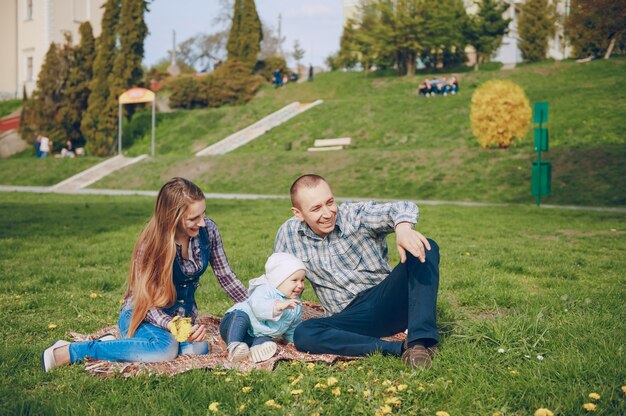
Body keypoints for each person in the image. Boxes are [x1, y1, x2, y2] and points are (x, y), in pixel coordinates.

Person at [42, 177, 249, 371]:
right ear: (173, 217)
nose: (202, 222)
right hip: (142, 313)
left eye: (203, 214)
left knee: (198, 348)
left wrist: (256, 306)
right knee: (164, 349)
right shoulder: (150, 245)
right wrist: (170, 324)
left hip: (180, 319)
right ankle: (72, 351)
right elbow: (145, 301)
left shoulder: (209, 230)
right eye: (194, 218)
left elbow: (226, 277)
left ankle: (118, 345)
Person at [274, 174, 440, 369]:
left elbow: (401, 207)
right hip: (347, 318)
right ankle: (398, 349)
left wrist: (403, 229)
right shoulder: (288, 234)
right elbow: (279, 282)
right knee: (304, 333)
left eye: (330, 202)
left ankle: (420, 342)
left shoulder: (355, 215)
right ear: (298, 213)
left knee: (427, 246)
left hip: (384, 301)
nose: (327, 213)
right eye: (316, 208)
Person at [219, 252, 305, 363]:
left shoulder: (296, 304)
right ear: (279, 279)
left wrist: (294, 341)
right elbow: (258, 308)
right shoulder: (265, 290)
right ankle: (234, 346)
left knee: (266, 339)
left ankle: (255, 350)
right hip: (233, 326)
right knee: (240, 316)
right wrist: (278, 306)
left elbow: (293, 326)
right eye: (295, 280)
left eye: (302, 280)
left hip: (257, 335)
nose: (300, 285)